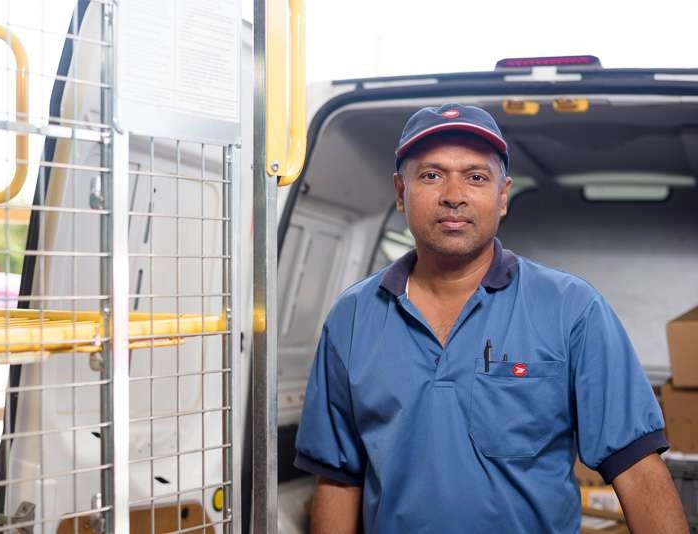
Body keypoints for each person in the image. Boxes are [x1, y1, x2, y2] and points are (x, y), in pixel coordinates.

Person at [293, 104, 689, 533]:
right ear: (401, 192)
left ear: (503, 195)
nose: (453, 194)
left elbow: (636, 468)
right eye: (431, 175)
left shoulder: (572, 309)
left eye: (476, 177)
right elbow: (337, 478)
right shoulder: (352, 317)